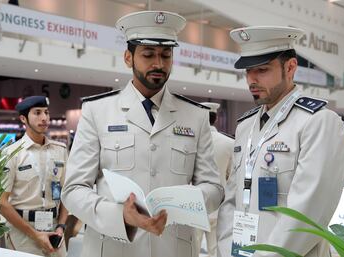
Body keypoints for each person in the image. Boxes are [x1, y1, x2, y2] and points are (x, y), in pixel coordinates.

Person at [61, 10, 224, 257]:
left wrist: (184, 202)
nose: (158, 64)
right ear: (128, 58)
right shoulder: (98, 111)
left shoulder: (195, 115)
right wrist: (120, 216)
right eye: (148, 55)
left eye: (166, 55)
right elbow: (73, 190)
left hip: (174, 248)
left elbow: (214, 187)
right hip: (114, 247)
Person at [216, 26, 344, 257]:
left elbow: (308, 212)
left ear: (290, 67)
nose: (252, 79)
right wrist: (227, 251)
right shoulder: (246, 126)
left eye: (262, 70)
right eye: (248, 71)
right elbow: (232, 201)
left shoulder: (318, 123)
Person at [0, 96, 69, 257]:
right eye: (37, 113)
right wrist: (34, 234)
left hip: (54, 229)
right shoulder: (11, 153)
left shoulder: (60, 150)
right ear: (23, 118)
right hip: (22, 231)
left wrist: (61, 226)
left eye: (46, 112)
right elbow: (1, 203)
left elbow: (67, 191)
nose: (44, 118)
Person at [196, 102, 234, 257]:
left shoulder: (193, 141)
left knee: (191, 251)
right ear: (216, 118)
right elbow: (232, 177)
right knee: (216, 251)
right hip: (219, 208)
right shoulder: (229, 143)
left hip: (195, 207)